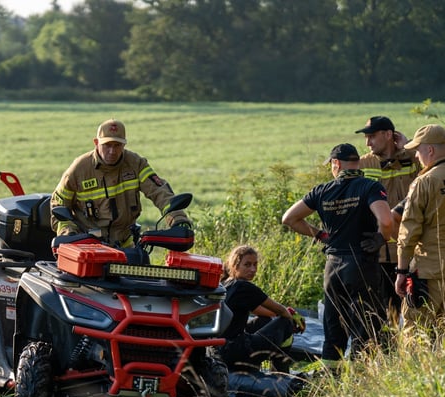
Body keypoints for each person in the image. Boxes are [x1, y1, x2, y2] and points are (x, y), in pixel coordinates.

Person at [282, 143, 393, 365]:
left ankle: (331, 376)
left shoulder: (322, 191)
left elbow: (289, 219)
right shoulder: (369, 187)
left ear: (336, 164)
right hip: (361, 264)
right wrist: (382, 237)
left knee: (334, 327)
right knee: (367, 324)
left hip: (333, 267)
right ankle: (363, 377)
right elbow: (387, 220)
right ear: (357, 163)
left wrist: (320, 235)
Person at [50, 119, 190, 248]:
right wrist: (68, 233)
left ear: (124, 144)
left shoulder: (136, 163)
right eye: (107, 145)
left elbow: (160, 192)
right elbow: (58, 204)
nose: (112, 151)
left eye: (117, 145)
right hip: (87, 247)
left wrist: (178, 219)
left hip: (126, 246)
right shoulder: (78, 169)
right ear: (96, 143)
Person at [355, 116, 421, 322]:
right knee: (386, 314)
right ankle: (389, 351)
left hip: (412, 251)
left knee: (416, 311)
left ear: (389, 135)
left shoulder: (411, 158)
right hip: (379, 254)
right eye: (366, 137)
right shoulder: (363, 164)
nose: (368, 143)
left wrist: (409, 147)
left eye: (372, 136)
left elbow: (434, 168)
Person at [219, 245, 305, 375]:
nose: (253, 269)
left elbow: (265, 312)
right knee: (286, 323)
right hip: (235, 353)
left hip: (220, 350)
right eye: (247, 265)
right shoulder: (244, 287)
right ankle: (281, 373)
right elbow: (282, 311)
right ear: (235, 265)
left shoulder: (227, 283)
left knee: (264, 321)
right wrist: (294, 318)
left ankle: (268, 369)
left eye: (255, 265)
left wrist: (284, 313)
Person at [393, 124, 445, 331]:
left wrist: (401, 271)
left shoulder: (425, 182)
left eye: (417, 150)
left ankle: (417, 365)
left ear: (430, 150)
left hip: (428, 271)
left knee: (417, 332)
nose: (416, 156)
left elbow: (409, 230)